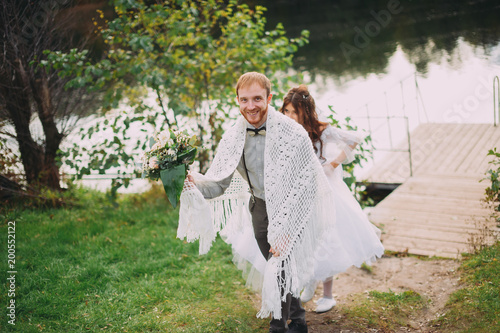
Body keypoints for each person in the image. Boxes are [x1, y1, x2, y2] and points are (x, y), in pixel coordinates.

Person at [178, 72, 338, 333]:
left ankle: (279, 325)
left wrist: (288, 228)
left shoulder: (293, 133)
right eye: (244, 100)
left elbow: (309, 184)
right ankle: (298, 319)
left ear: (269, 98)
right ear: (237, 101)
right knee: (278, 266)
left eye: (257, 99)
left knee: (281, 265)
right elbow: (219, 184)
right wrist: (192, 183)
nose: (251, 106)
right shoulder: (232, 137)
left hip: (293, 206)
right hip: (260, 209)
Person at [280, 84, 384, 313]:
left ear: (304, 111)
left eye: (293, 112)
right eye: (286, 111)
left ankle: (327, 295)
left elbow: (354, 138)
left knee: (326, 239)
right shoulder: (285, 130)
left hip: (324, 192)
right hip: (299, 192)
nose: (288, 116)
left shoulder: (321, 130)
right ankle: (309, 280)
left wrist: (332, 164)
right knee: (301, 238)